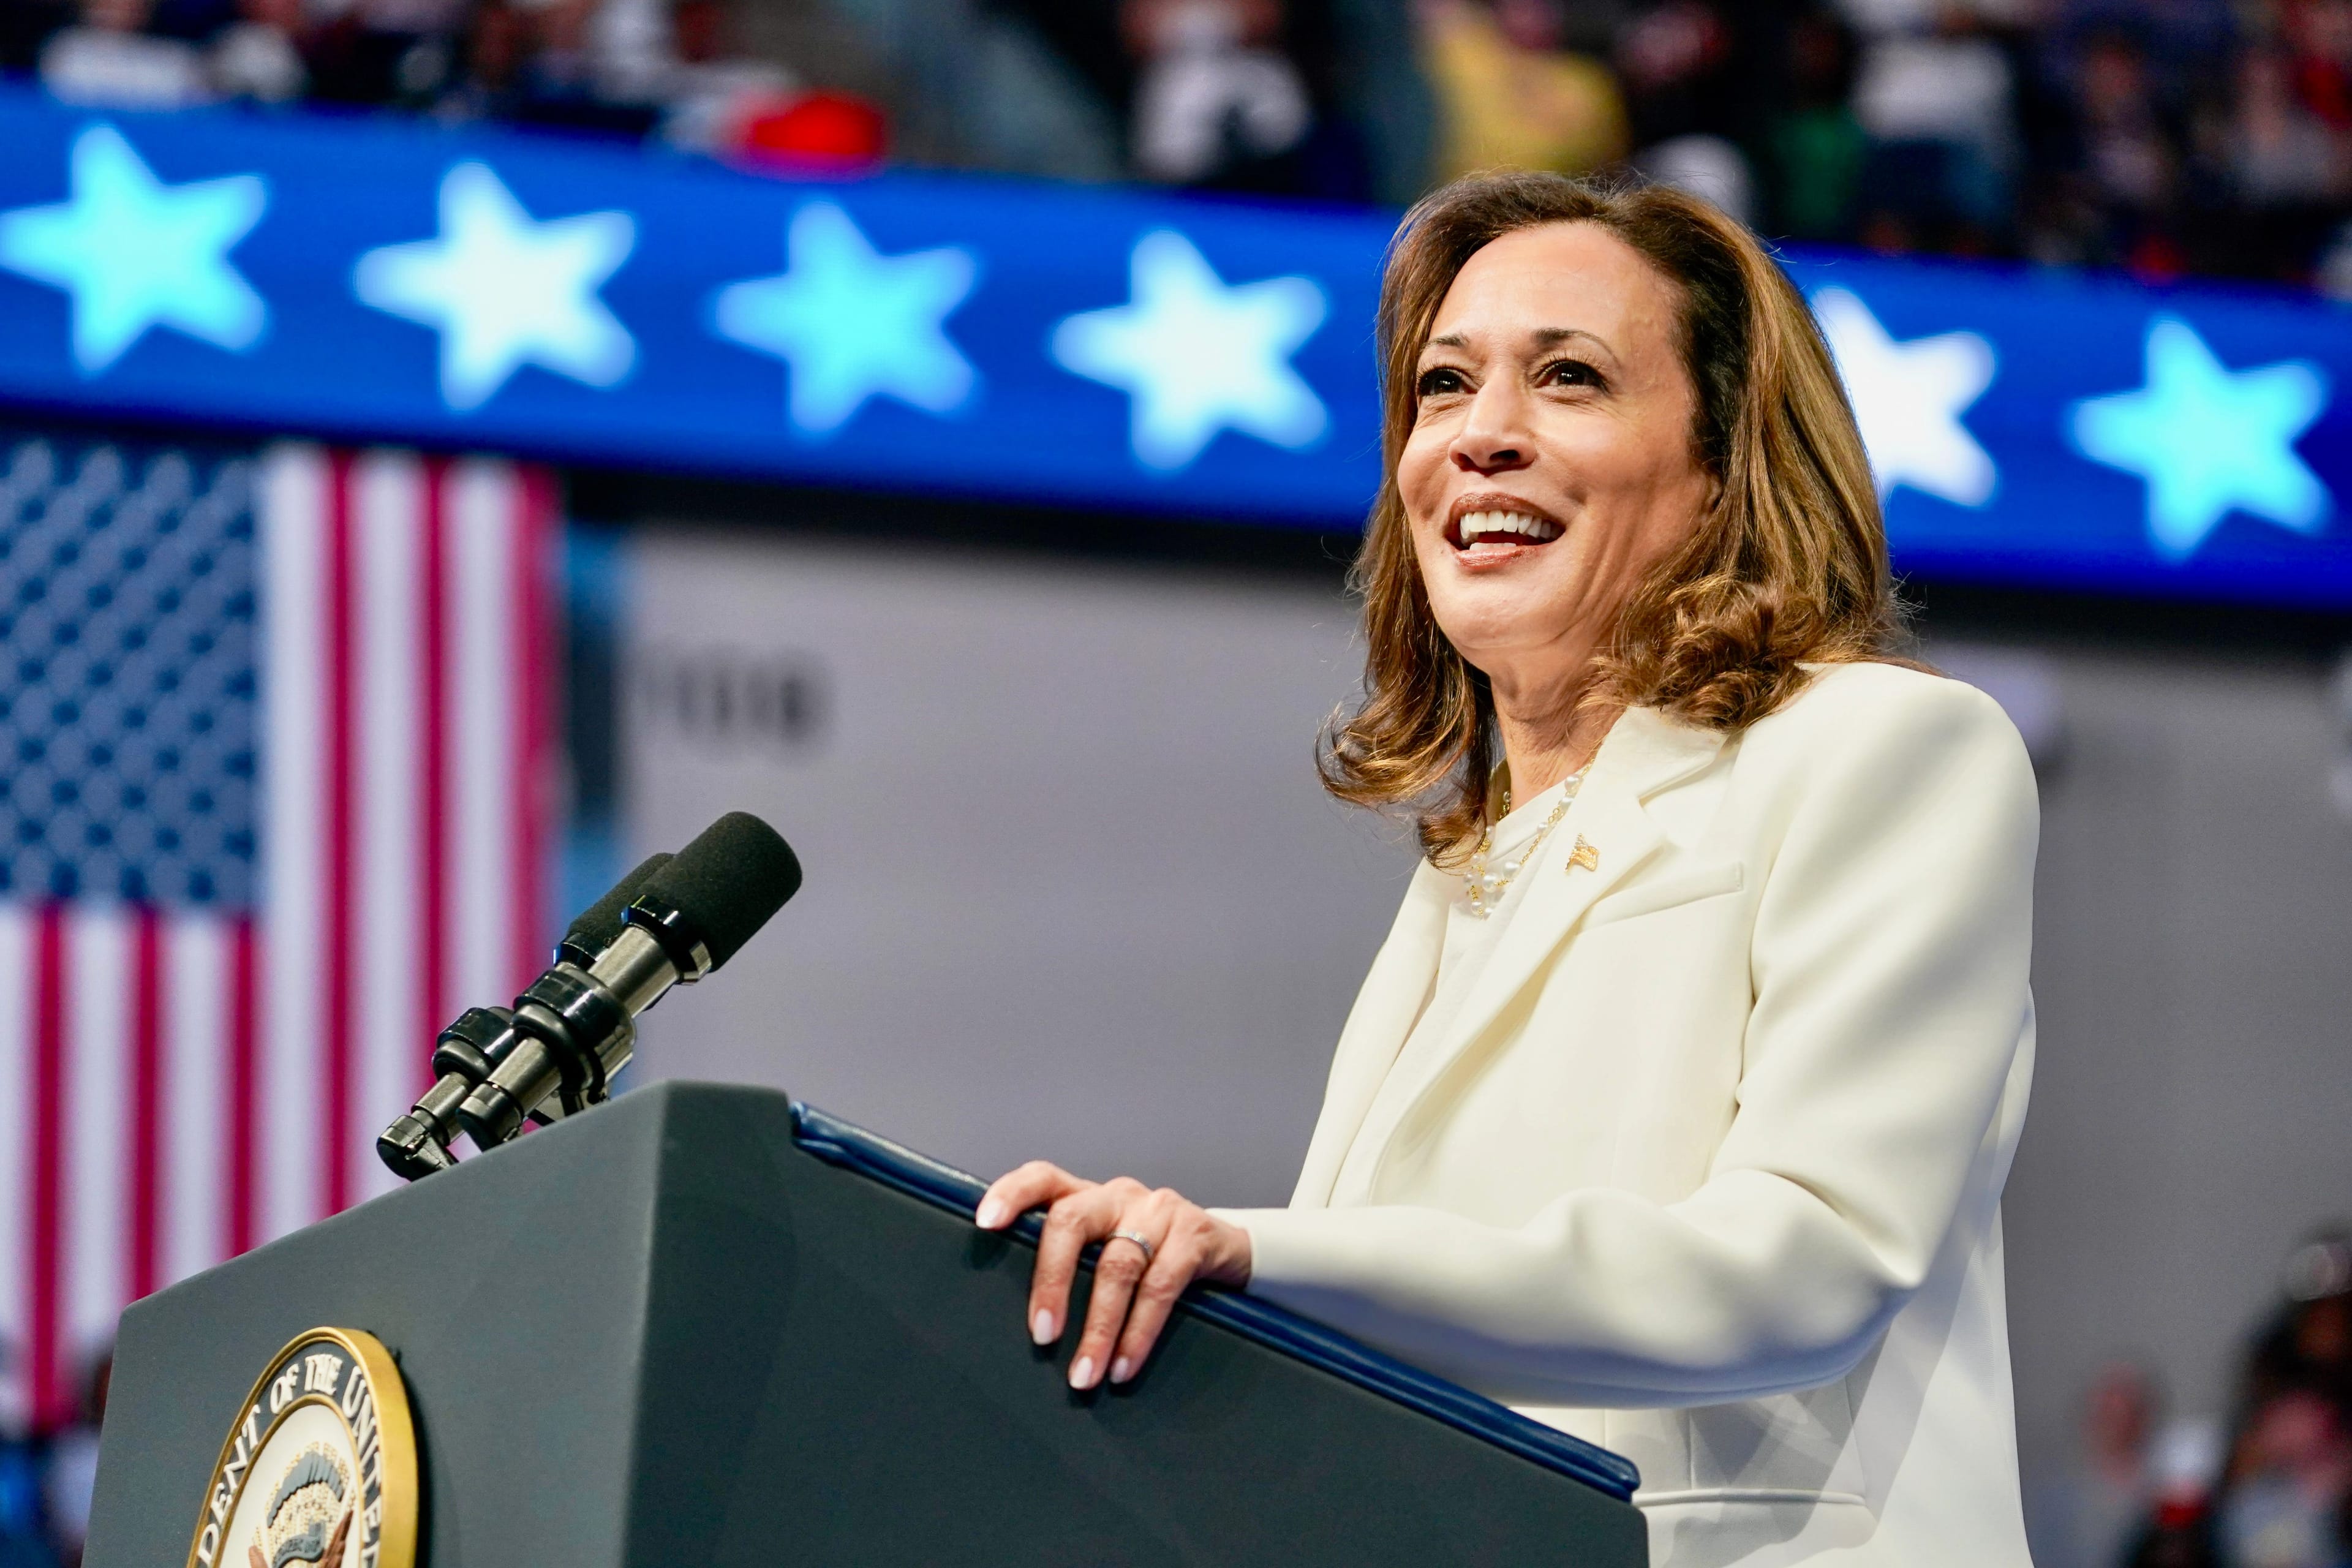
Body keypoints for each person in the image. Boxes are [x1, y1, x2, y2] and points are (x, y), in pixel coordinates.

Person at [979, 170, 2040, 1568]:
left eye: (1570, 378)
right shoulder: (1465, 864)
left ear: (1725, 463)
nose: (1481, 436)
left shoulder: (1889, 745)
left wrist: (1248, 1250)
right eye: (1442, 386)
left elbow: (1810, 1256)